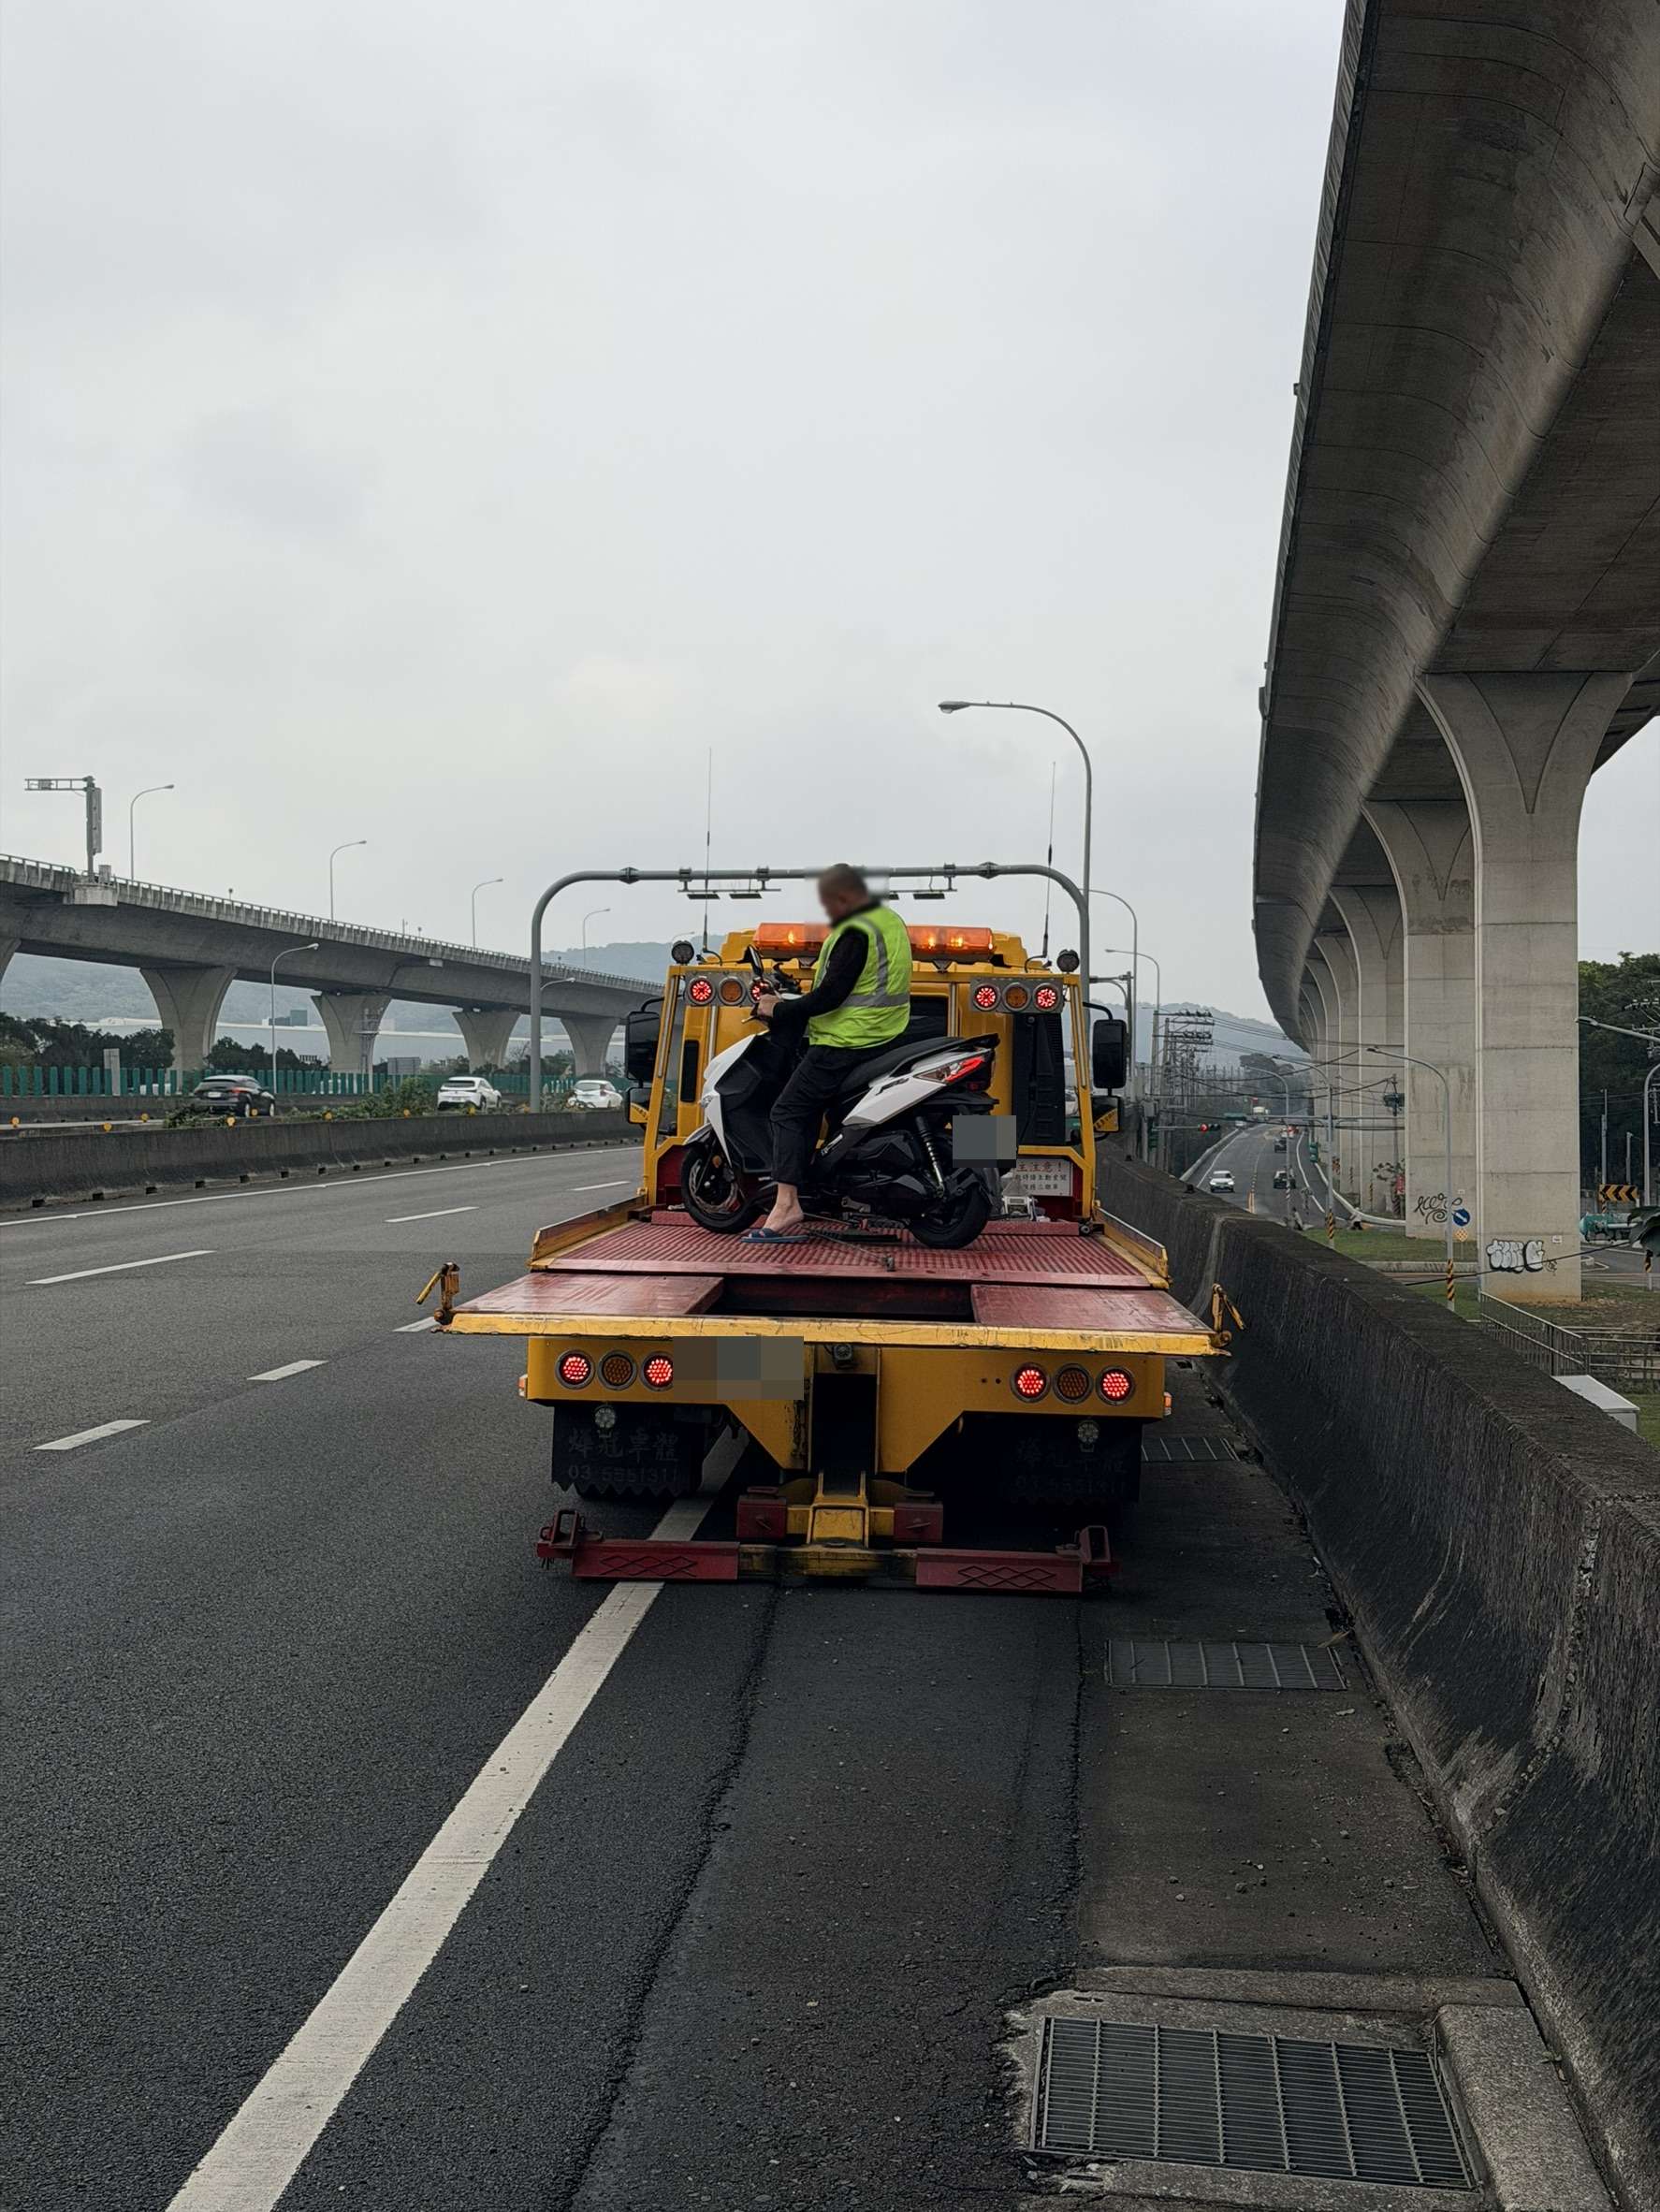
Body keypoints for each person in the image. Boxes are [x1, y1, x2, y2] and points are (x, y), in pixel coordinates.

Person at [748, 863, 913, 1240]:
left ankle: (787, 1205)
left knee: (788, 1111)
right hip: (887, 1036)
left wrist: (780, 1008)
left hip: (846, 1042)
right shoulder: (890, 921)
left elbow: (831, 996)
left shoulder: (855, 930)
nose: (828, 911)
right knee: (826, 1111)